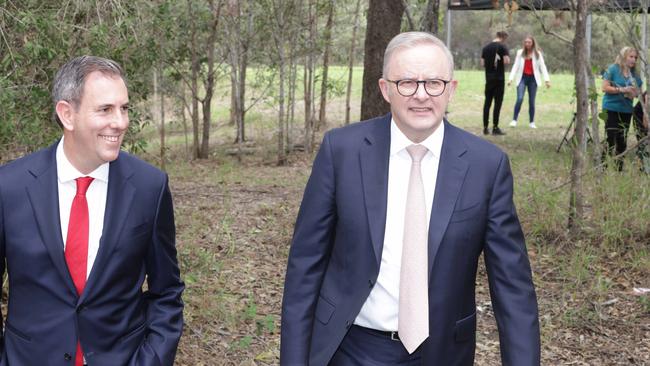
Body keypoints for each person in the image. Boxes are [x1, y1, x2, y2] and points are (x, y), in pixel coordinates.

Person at [281, 32, 540, 366]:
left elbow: (513, 290)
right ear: (385, 89)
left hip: (443, 352)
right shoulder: (341, 151)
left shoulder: (486, 166)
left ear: (452, 89)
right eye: (406, 83)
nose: (421, 95)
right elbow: (305, 267)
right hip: (351, 348)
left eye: (434, 82)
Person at [0, 56, 184, 365]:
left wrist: (151, 360)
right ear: (67, 114)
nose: (121, 122)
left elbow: (167, 291)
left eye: (124, 108)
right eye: (105, 110)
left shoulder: (149, 187)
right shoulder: (9, 187)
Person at [601, 46, 643, 171]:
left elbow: (638, 93)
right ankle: (603, 167)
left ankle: (619, 169)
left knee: (622, 139)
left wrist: (633, 93)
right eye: (631, 56)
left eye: (635, 58)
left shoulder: (635, 75)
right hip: (611, 108)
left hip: (626, 110)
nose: (633, 60)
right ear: (624, 56)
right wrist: (621, 89)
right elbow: (604, 88)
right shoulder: (613, 69)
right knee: (610, 138)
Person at [508, 35, 551, 129]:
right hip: (522, 78)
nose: (527, 44)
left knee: (531, 101)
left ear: (533, 43)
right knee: (519, 98)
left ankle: (531, 122)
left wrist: (547, 80)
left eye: (529, 42)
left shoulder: (537, 54)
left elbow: (543, 67)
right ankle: (514, 120)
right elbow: (515, 66)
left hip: (533, 79)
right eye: (526, 42)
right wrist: (511, 78)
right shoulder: (520, 53)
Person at [481, 31, 511, 136]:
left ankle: (485, 128)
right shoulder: (503, 47)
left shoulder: (485, 48)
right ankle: (495, 127)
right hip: (499, 79)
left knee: (487, 103)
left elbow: (482, 63)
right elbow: (507, 61)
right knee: (497, 104)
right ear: (503, 37)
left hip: (488, 79)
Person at [632, 92, 650, 172]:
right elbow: (645, 112)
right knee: (643, 139)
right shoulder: (648, 94)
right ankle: (643, 168)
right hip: (640, 115)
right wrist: (646, 127)